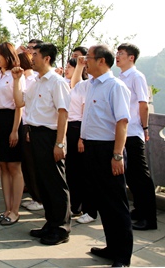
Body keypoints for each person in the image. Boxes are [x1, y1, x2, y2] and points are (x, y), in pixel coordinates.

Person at [13, 43, 71, 246]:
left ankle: (61, 228)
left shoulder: (57, 82)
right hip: (35, 135)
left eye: (35, 54)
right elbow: (19, 102)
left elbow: (63, 113)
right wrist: (16, 80)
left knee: (56, 183)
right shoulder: (35, 81)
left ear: (47, 58)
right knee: (43, 182)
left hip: (50, 136)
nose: (32, 58)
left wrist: (60, 143)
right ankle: (51, 223)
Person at [82, 44, 133, 267]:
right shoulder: (92, 85)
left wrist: (117, 155)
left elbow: (122, 122)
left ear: (101, 61)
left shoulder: (115, 86)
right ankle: (111, 246)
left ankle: (123, 256)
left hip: (109, 150)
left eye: (88, 57)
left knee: (116, 204)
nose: (85, 61)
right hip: (92, 148)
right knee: (103, 202)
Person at [116, 43, 157, 231]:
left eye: (121, 53)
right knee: (131, 176)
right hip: (124, 132)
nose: (117, 56)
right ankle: (139, 211)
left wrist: (145, 127)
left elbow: (143, 104)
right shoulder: (121, 77)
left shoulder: (136, 76)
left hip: (133, 131)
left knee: (141, 176)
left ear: (131, 57)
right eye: (117, 52)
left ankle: (149, 218)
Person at [0, 42, 24, 226]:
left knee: (14, 167)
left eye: (0, 54)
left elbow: (19, 106)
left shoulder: (17, 75)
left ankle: (15, 211)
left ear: (9, 55)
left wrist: (15, 130)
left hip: (11, 120)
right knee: (3, 165)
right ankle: (7, 208)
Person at [67, 56, 97, 224]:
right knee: (73, 171)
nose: (66, 69)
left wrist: (81, 137)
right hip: (71, 128)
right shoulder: (79, 86)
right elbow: (75, 83)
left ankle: (89, 210)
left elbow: (86, 113)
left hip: (80, 129)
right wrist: (79, 65)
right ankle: (75, 206)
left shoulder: (90, 86)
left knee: (84, 173)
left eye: (69, 67)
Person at [17, 52, 44, 212]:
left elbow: (31, 106)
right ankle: (35, 196)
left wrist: (28, 128)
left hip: (30, 124)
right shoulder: (24, 79)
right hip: (24, 124)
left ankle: (39, 199)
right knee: (26, 165)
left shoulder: (33, 80)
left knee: (32, 165)